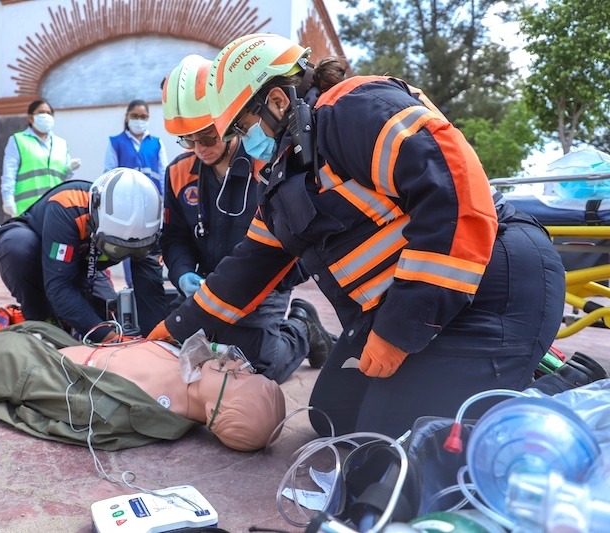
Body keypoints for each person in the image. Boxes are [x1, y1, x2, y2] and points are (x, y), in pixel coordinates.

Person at [149, 33, 566, 438]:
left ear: (277, 102)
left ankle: (563, 392)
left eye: (242, 126)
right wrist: (177, 326)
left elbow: (456, 198)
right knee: (335, 417)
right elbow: (250, 265)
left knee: (395, 444)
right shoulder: (286, 171)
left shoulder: (356, 111)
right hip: (423, 302)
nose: (242, 140)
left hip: (492, 286)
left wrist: (398, 331)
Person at [159, 54, 333, 384]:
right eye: (187, 140)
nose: (198, 149)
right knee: (182, 351)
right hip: (209, 288)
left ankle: (302, 327)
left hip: (263, 287)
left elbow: (297, 246)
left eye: (207, 137)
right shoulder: (178, 173)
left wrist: (263, 285)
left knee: (257, 367)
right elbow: (174, 237)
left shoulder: (267, 162)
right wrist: (182, 274)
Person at [0, 321, 285, 452]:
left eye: (234, 377)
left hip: (12, 361)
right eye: (241, 368)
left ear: (215, 412)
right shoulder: (186, 367)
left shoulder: (131, 416)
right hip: (44, 343)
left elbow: (41, 399)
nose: (233, 364)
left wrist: (23, 356)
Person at [0, 167, 169, 341]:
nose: (122, 254)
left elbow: (149, 288)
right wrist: (107, 338)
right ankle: (40, 321)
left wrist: (156, 338)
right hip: (45, 256)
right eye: (117, 249)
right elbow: (59, 286)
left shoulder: (148, 228)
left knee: (107, 318)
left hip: (88, 265)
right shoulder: (67, 205)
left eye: (131, 250)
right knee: (18, 247)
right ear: (96, 222)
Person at [104, 99, 169, 287]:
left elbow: (164, 173)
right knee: (127, 246)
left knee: (150, 246)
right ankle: (132, 286)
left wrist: (166, 204)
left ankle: (152, 284)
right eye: (135, 116)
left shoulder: (156, 143)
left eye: (143, 117)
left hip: (151, 205)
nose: (139, 120)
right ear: (127, 117)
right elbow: (109, 173)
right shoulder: (116, 142)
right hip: (125, 207)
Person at [0, 99, 80, 217]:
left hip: (55, 208)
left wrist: (69, 170)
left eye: (49, 113)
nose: (46, 116)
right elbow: (9, 174)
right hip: (27, 208)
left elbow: (62, 178)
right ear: (30, 118)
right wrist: (8, 198)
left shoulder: (61, 144)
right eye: (41, 112)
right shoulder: (18, 140)